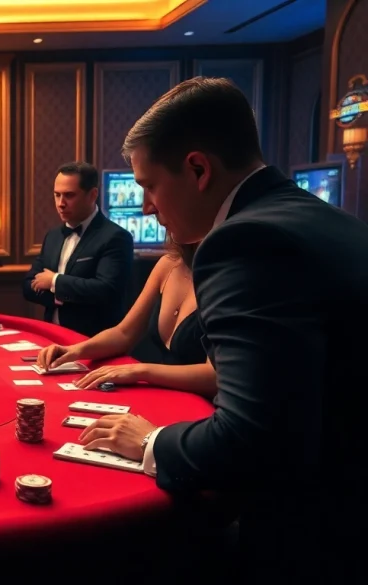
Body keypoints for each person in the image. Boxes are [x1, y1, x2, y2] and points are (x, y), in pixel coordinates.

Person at [77, 77, 368, 580]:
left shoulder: (244, 242)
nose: (147, 206)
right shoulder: (329, 219)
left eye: (149, 185)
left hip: (318, 539)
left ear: (197, 169)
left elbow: (253, 440)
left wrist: (152, 441)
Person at [35, 233, 215, 397]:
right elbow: (124, 333)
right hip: (165, 395)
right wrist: (74, 351)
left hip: (209, 411)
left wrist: (140, 371)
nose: (149, 210)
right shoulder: (168, 264)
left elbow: (215, 376)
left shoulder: (227, 276)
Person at [22, 161, 134, 337]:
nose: (61, 203)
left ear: (92, 195)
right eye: (57, 195)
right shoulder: (53, 236)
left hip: (93, 342)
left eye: (69, 195)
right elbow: (28, 287)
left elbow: (107, 291)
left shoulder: (115, 237)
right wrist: (61, 296)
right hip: (51, 337)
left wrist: (55, 282)